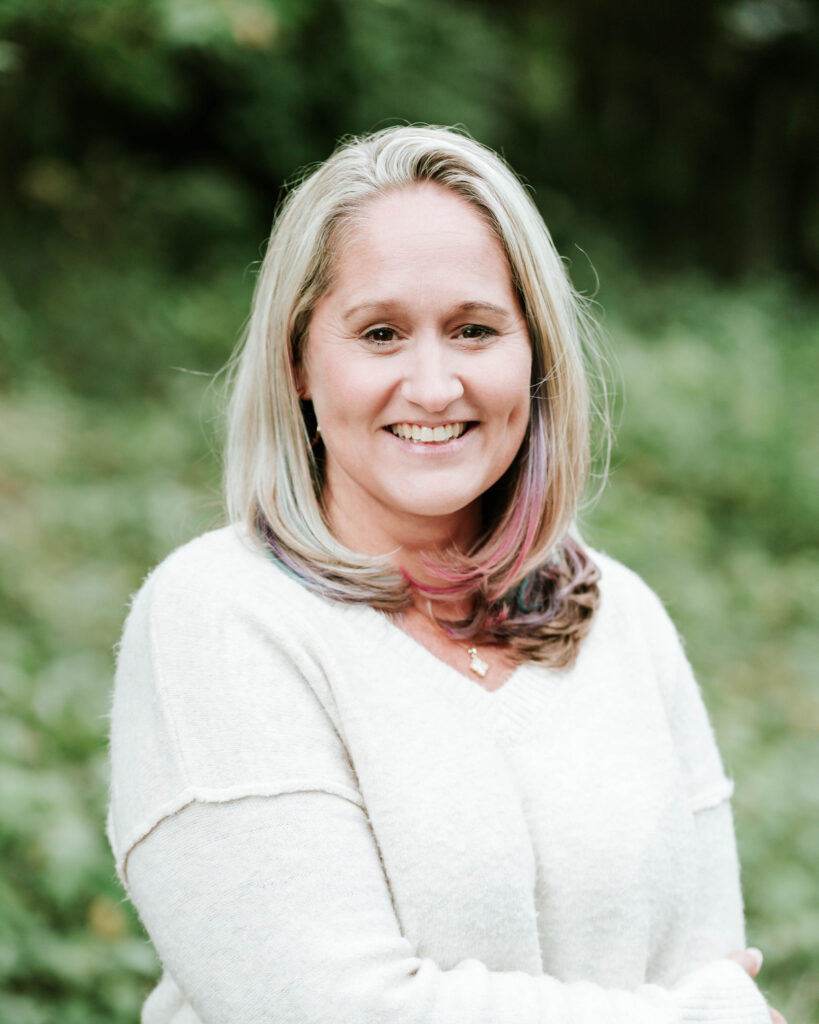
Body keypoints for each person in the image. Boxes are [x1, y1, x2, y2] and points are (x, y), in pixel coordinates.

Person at [106, 125, 784, 1024]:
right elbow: (324, 1009)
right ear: (298, 361)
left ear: (535, 355)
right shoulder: (219, 617)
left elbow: (713, 967)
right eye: (380, 333)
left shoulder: (622, 617)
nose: (432, 386)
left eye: (473, 329)